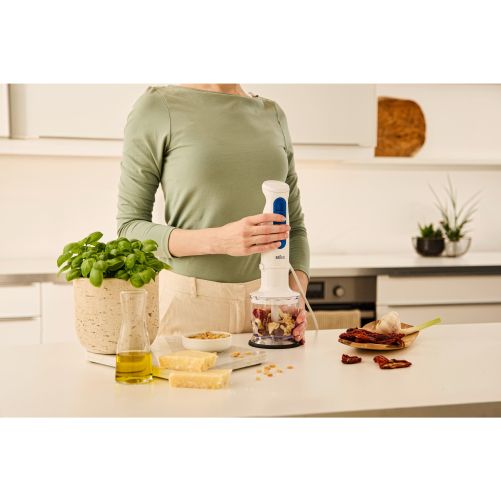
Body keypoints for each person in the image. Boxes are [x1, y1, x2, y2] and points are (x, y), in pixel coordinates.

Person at [117, 84, 310, 343]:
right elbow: (129, 229)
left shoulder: (272, 114)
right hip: (190, 307)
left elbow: (294, 228)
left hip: (267, 309)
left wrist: (293, 298)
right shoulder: (157, 107)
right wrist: (219, 240)